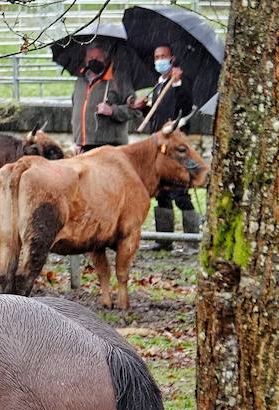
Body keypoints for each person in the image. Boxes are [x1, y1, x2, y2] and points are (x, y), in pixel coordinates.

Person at [130, 44, 198, 254]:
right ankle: (164, 238)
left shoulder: (180, 83)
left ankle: (191, 241)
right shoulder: (158, 85)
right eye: (156, 57)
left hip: (174, 147)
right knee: (161, 192)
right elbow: (157, 114)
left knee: (181, 192)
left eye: (163, 56)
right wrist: (144, 109)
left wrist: (177, 83)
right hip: (158, 146)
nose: (159, 60)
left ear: (172, 58)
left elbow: (185, 107)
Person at [69, 43, 140, 152]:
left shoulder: (119, 80)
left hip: (110, 147)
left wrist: (112, 111)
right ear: (85, 58)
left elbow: (135, 110)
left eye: (97, 58)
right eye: (90, 58)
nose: (93, 61)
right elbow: (76, 109)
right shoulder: (80, 81)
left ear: (106, 59)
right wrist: (78, 140)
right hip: (83, 147)